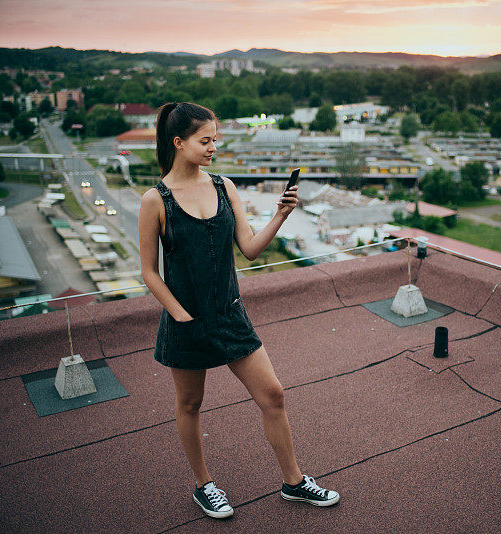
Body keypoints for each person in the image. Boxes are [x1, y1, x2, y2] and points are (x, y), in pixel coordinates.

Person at [138, 102, 339, 519]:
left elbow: (247, 249)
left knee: (274, 395)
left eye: (216, 139)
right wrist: (179, 315)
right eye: (205, 140)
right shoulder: (155, 200)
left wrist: (280, 215)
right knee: (191, 405)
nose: (214, 147)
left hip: (230, 315)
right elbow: (149, 273)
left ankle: (294, 482)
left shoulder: (224, 186)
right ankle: (203, 486)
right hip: (186, 321)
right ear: (179, 143)